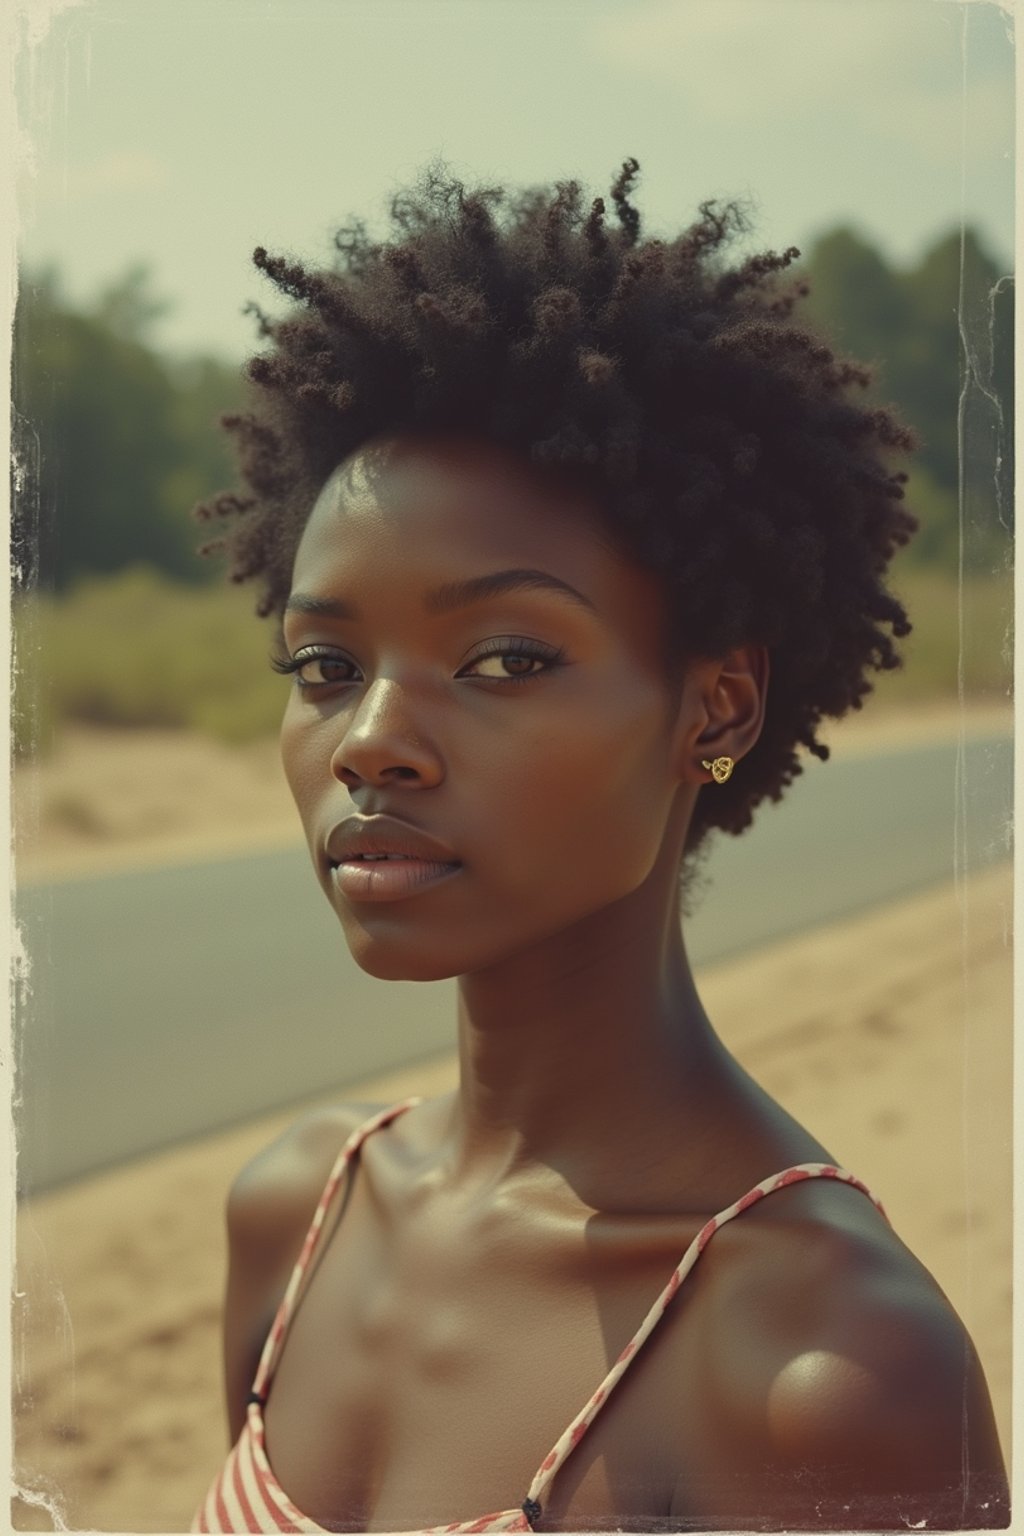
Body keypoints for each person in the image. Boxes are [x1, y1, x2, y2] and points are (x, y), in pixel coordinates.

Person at [191, 162, 1007, 1533]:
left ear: (716, 704)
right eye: (325, 661)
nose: (370, 740)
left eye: (507, 657)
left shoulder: (826, 1370)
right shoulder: (297, 1218)